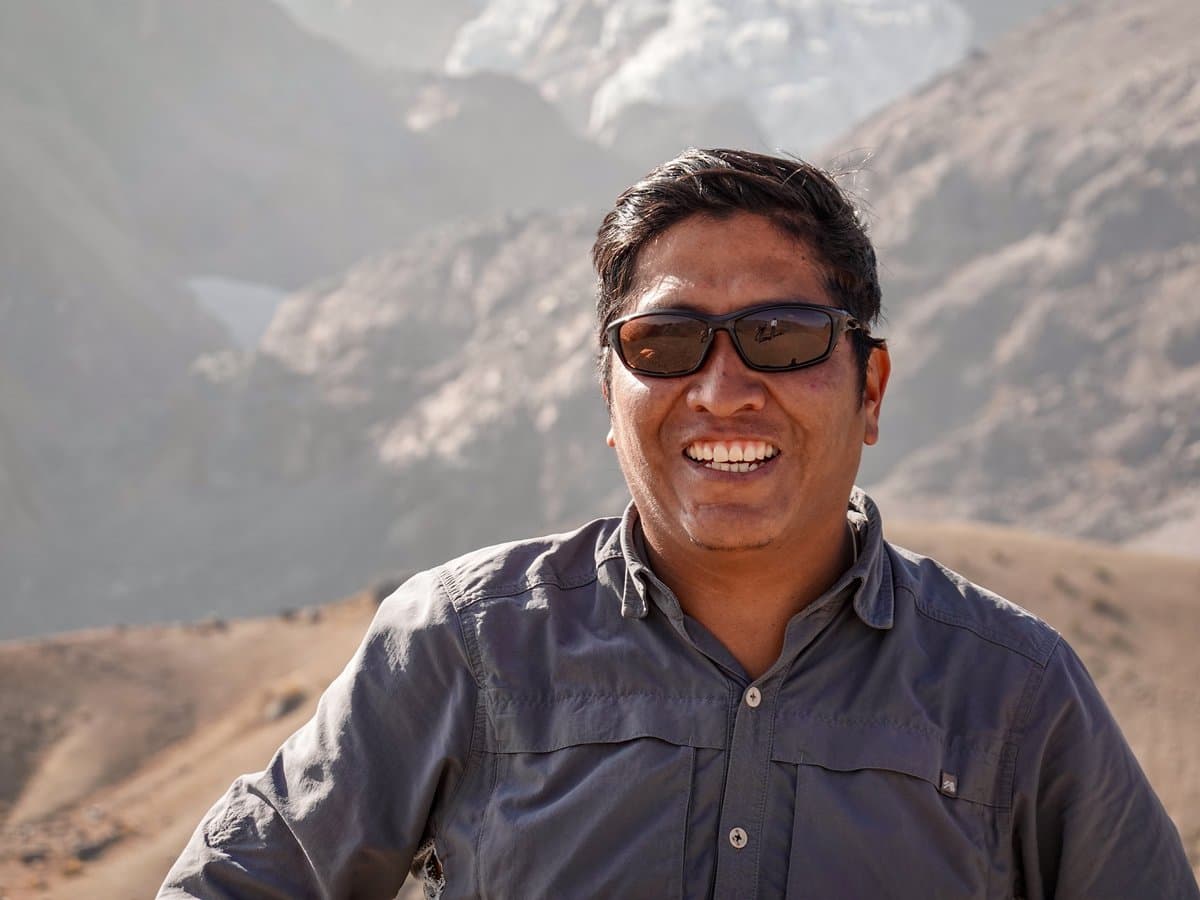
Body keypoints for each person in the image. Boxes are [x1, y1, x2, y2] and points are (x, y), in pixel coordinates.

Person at [160, 149, 1197, 899]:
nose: (723, 389)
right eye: (665, 343)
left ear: (870, 389)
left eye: (782, 337)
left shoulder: (1013, 693)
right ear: (610, 396)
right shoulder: (465, 645)